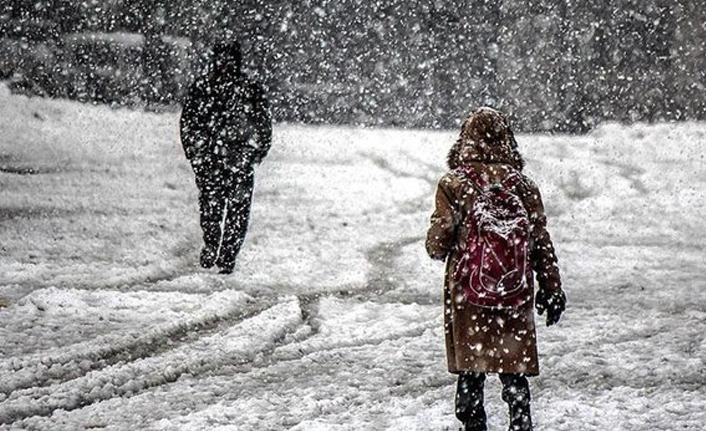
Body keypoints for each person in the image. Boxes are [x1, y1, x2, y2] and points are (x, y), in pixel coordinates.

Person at [426, 107, 566, 431]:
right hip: (513, 293)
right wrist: (551, 287)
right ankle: (520, 421)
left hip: (469, 293)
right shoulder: (524, 186)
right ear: (508, 140)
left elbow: (439, 240)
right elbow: (540, 241)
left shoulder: (454, 184)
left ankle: (473, 424)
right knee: (513, 367)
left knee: (471, 370)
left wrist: (438, 244)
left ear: (465, 141)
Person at [180, 41, 272, 274]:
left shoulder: (247, 89)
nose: (225, 65)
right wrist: (196, 154)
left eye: (228, 60)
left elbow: (263, 126)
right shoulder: (204, 88)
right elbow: (188, 124)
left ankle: (227, 254)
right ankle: (213, 245)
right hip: (214, 160)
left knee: (235, 212)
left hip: (236, 160)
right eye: (222, 59)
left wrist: (254, 153)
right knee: (213, 208)